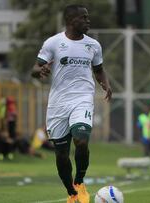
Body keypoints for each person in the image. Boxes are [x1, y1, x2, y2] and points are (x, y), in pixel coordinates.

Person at [31, 4, 112, 203]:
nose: (88, 21)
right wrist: (39, 71)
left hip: (83, 98)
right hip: (58, 103)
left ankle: (79, 181)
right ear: (71, 21)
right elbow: (36, 67)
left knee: (81, 140)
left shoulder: (93, 45)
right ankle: (71, 192)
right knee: (61, 154)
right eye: (84, 18)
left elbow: (98, 69)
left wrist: (106, 85)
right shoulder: (53, 43)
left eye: (88, 17)